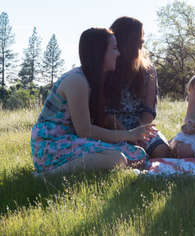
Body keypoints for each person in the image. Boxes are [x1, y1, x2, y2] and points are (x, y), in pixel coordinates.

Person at [31, 28, 154, 174]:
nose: (118, 53)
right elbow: (85, 131)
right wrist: (129, 134)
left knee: (138, 154)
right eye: (114, 48)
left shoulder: (93, 79)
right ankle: (46, 176)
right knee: (117, 160)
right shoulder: (76, 80)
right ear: (100, 52)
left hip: (71, 141)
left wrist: (130, 135)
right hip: (51, 146)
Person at [105, 16, 171, 158]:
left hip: (140, 126)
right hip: (112, 128)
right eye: (140, 37)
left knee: (163, 152)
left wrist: (140, 131)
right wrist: (127, 135)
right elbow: (103, 112)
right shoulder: (107, 68)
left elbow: (149, 108)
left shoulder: (148, 70)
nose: (143, 41)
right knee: (125, 156)